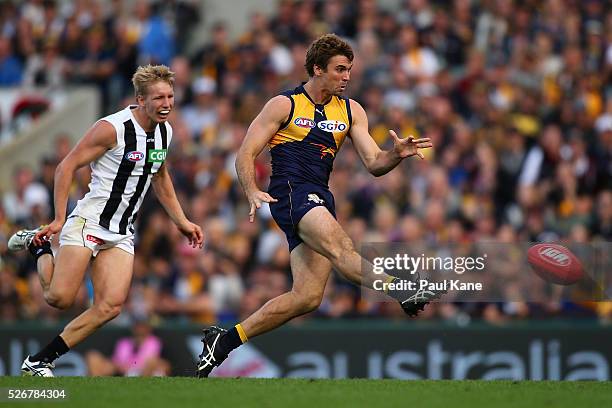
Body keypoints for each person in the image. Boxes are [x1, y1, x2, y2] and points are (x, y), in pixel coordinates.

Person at [196, 34, 444, 378]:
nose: (347, 76)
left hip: (319, 196)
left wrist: (395, 155)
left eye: (349, 70)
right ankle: (403, 289)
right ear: (317, 69)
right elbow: (245, 153)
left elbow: (373, 163)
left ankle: (224, 341)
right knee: (343, 249)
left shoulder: (351, 110)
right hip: (290, 192)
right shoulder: (284, 105)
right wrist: (252, 189)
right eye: (340, 70)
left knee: (307, 297)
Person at [8, 64, 204, 377]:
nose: (167, 103)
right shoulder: (112, 128)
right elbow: (65, 167)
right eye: (158, 98)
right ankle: (39, 247)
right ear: (141, 99)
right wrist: (59, 219)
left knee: (110, 306)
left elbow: (160, 176)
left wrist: (181, 220)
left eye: (170, 96)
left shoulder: (165, 132)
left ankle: (39, 360)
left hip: (122, 232)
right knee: (59, 298)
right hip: (89, 222)